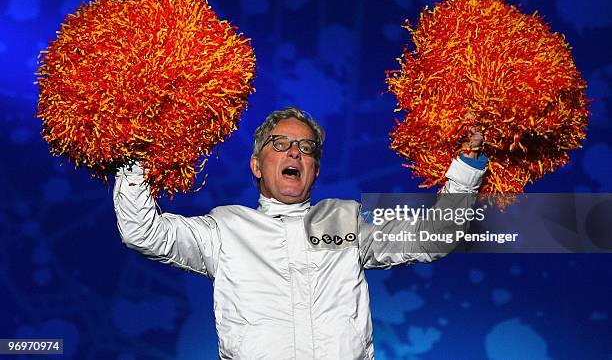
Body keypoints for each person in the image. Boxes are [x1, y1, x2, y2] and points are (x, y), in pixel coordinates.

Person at [113, 107, 487, 359]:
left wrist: (468, 165)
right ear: (257, 165)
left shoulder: (346, 218)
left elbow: (435, 237)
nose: (295, 153)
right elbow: (142, 232)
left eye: (306, 148)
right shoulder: (225, 228)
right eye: (281, 144)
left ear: (316, 170)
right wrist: (135, 156)